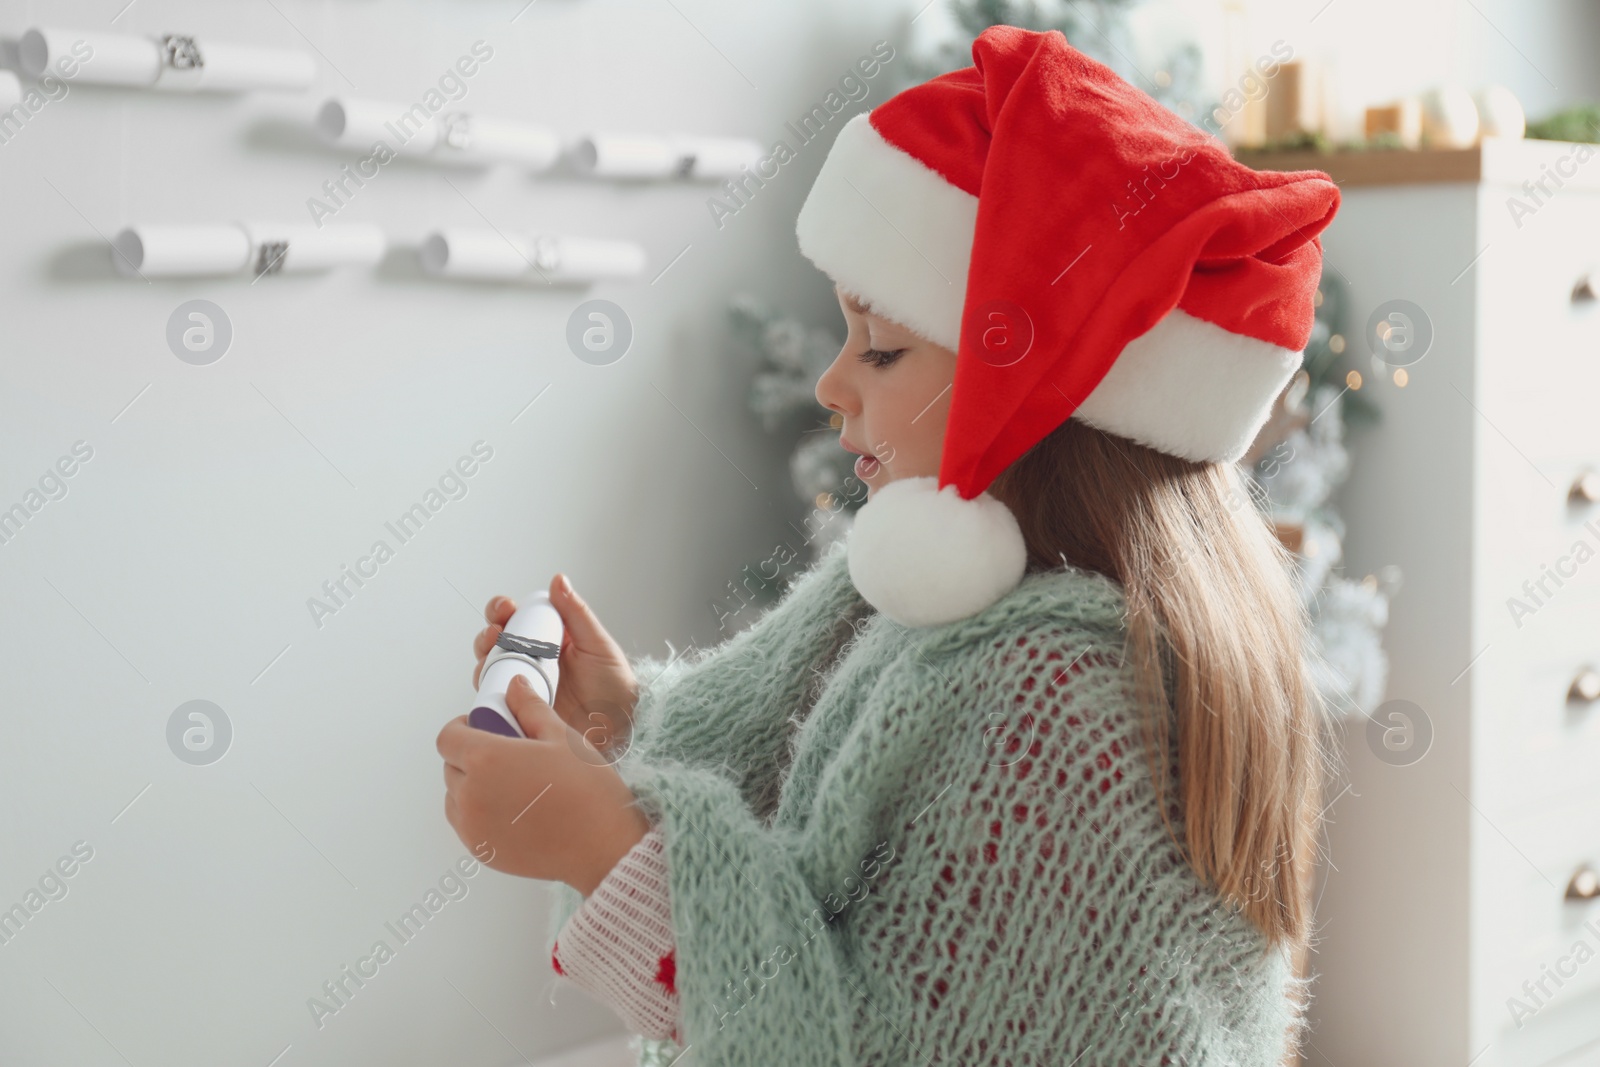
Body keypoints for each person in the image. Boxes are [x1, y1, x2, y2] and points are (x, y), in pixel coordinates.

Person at [437, 24, 1340, 1066]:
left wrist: (609, 850)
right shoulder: (965, 615)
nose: (832, 384)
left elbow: (874, 1038)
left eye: (880, 345)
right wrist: (622, 723)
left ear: (1038, 397)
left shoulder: (1062, 698)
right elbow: (856, 874)